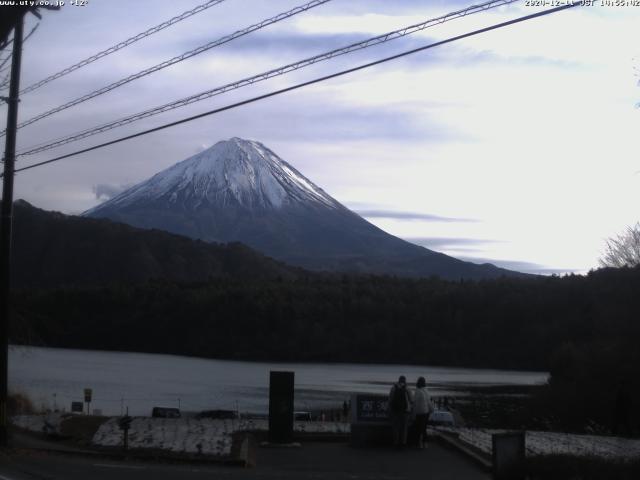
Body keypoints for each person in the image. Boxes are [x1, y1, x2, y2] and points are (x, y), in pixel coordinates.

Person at [388, 375, 413, 448]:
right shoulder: (407, 388)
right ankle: (403, 443)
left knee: (396, 427)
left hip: (395, 411)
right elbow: (411, 400)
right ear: (405, 381)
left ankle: (396, 443)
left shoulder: (393, 388)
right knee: (404, 428)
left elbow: (390, 399)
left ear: (398, 380)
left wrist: (390, 408)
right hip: (405, 411)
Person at [413, 376, 434, 448]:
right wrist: (431, 410)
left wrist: (413, 414)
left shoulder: (417, 391)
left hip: (419, 412)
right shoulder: (426, 390)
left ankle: (419, 443)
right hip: (426, 412)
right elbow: (429, 402)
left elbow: (415, 403)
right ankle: (424, 443)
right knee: (424, 428)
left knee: (418, 428)